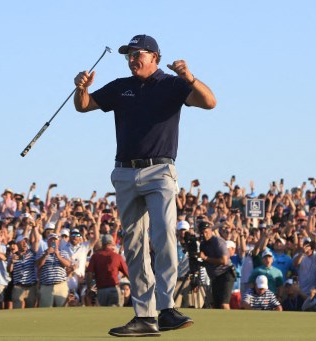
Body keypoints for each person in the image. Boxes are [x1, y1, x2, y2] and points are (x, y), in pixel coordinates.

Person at [74, 34, 215, 336]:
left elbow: (209, 102)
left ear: (154, 57)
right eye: (128, 55)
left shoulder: (173, 84)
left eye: (138, 54)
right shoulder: (120, 87)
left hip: (159, 171)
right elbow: (83, 106)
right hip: (124, 173)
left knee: (163, 237)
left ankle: (166, 309)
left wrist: (189, 76)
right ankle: (145, 316)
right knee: (135, 246)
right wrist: (81, 88)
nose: (132, 59)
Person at [198, 221, 236, 309]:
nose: (204, 234)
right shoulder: (203, 244)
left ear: (211, 231)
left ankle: (230, 322)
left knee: (224, 304)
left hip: (226, 273)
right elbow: (206, 261)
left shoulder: (218, 242)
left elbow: (224, 261)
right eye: (202, 232)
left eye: (206, 232)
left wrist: (206, 258)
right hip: (215, 276)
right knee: (216, 305)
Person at [86, 234, 129, 306]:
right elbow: (127, 273)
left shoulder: (95, 257)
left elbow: (89, 273)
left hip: (101, 290)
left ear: (102, 244)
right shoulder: (117, 257)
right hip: (114, 289)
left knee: (104, 314)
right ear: (112, 243)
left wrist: (89, 287)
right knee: (116, 313)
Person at [36, 233, 71, 307]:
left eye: (55, 240)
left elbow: (68, 264)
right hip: (46, 286)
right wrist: (46, 254)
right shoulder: (42, 253)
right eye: (51, 240)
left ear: (58, 242)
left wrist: (58, 255)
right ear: (48, 242)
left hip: (61, 285)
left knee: (62, 308)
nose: (53, 242)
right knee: (46, 309)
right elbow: (38, 265)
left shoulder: (63, 252)